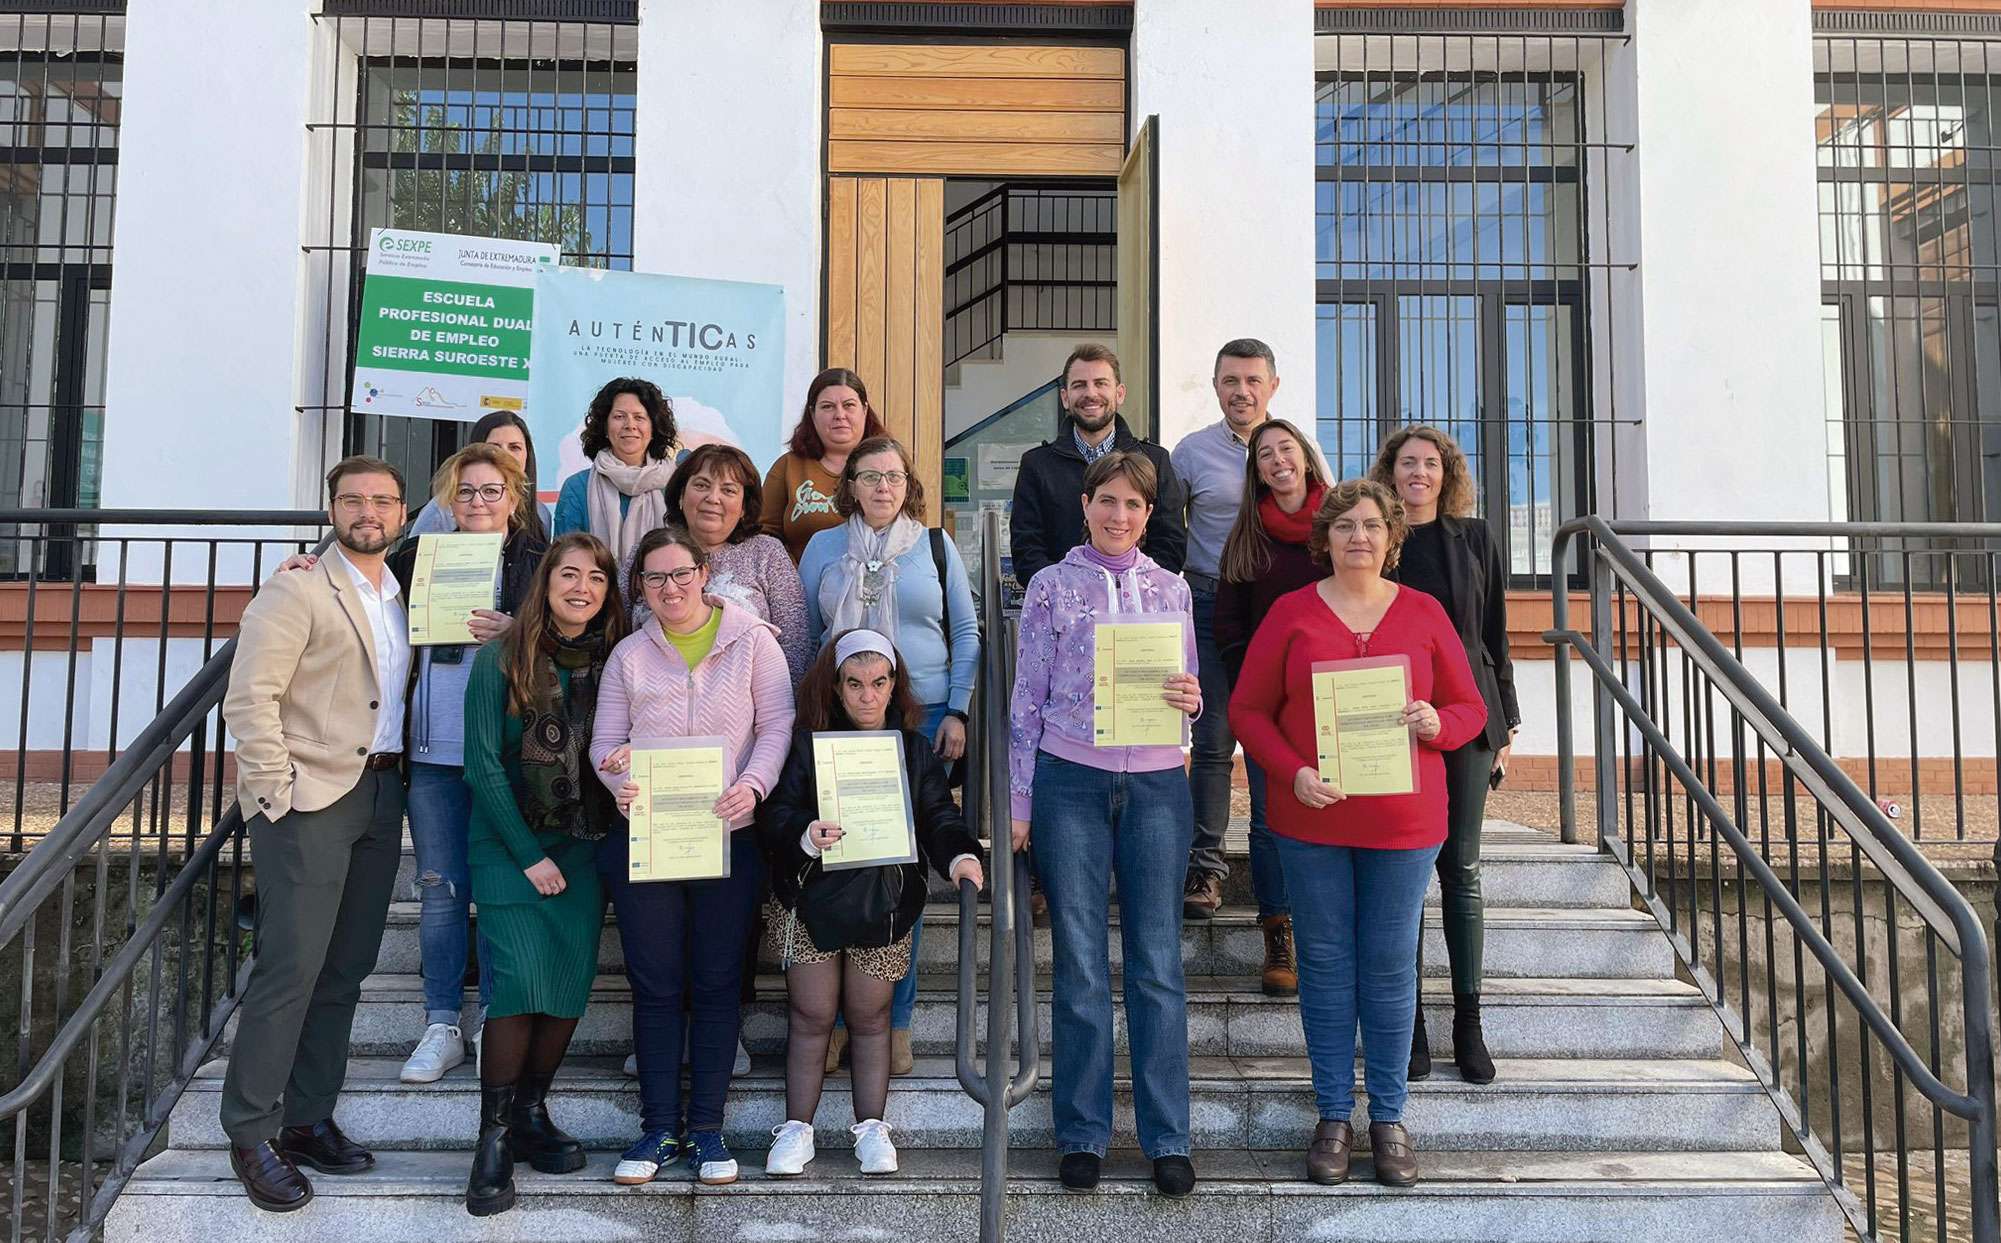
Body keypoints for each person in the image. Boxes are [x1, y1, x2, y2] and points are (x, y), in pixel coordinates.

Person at [1227, 478, 1487, 1189]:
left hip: (1403, 823)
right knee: (1323, 963)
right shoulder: (1289, 613)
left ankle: (1389, 1118)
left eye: (1371, 525)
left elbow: (1467, 705)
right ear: (1325, 538)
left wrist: (1440, 722)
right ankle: (1334, 1115)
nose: (1358, 537)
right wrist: (1291, 771)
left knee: (1389, 964)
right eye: (1344, 526)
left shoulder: (1424, 612)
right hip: (1311, 817)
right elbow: (1248, 711)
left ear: (1390, 536)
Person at [217, 456, 412, 1213]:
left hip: (383, 789)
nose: (368, 510)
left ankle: (305, 1116)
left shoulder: (401, 593)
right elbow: (251, 695)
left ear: (402, 514)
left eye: (383, 500)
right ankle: (250, 1129)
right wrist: (277, 793)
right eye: (353, 498)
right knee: (290, 965)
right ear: (332, 508)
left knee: (346, 966)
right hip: (311, 798)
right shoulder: (297, 585)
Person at [1008, 451, 1202, 1200]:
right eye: (1107, 501)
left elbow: (1187, 692)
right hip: (1070, 782)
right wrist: (1020, 803)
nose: (1120, 515)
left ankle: (1167, 1137)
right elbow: (1026, 700)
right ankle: (1083, 1132)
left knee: (1156, 962)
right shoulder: (1051, 588)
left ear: (1149, 515)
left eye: (1134, 505)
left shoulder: (1171, 588)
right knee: (1082, 961)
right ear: (1085, 504)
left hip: (1155, 786)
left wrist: (1191, 702)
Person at [591, 526, 795, 1188]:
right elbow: (604, 741)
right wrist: (616, 778)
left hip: (726, 831)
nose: (670, 589)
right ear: (640, 589)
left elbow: (777, 725)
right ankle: (656, 1128)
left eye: (680, 574)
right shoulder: (628, 654)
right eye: (654, 579)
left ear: (703, 572)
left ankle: (706, 1129)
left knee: (713, 981)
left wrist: (754, 786)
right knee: (654, 983)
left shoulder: (753, 640)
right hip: (647, 835)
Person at [756, 630, 986, 1179]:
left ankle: (871, 1127)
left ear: (894, 686)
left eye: (878, 683)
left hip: (883, 904)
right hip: (810, 898)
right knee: (812, 1015)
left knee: (870, 1015)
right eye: (854, 684)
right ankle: (796, 1129)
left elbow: (937, 814)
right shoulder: (809, 747)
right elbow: (777, 815)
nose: (866, 696)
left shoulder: (910, 749)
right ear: (836, 687)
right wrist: (806, 835)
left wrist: (958, 856)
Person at [459, 533, 630, 1216]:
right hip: (507, 847)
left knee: (563, 989)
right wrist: (528, 854)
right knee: (518, 987)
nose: (581, 586)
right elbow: (481, 764)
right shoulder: (500, 658)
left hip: (584, 845)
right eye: (568, 573)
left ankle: (530, 1112)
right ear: (545, 582)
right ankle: (492, 1138)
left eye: (595, 576)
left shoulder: (614, 660)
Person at [798, 435, 979, 1074]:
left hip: (921, 717)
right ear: (850, 486)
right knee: (842, 860)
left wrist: (957, 708)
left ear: (908, 484)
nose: (882, 487)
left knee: (898, 867)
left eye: (894, 477)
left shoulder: (934, 546)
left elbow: (965, 630)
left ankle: (892, 1020)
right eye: (870, 476)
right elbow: (804, 638)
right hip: (841, 718)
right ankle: (844, 1021)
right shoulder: (822, 546)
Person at [388, 443, 549, 1084]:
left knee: (502, 890)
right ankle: (440, 1022)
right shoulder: (415, 557)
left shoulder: (539, 564)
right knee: (441, 888)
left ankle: (495, 1020)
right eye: (465, 492)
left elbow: (578, 629)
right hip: (433, 750)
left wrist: (518, 628)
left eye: (491, 490)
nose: (478, 502)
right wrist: (302, 565)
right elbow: (348, 568)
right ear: (447, 502)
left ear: (514, 498)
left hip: (506, 751)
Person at [1371, 425, 1519, 1085]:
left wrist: (1506, 722)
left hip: (1467, 714)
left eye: (1430, 464)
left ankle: (1467, 1020)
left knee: (1459, 869)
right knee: (1404, 874)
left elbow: (1495, 635)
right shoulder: (1375, 537)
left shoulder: (1475, 537)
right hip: (1392, 716)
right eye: (1407, 463)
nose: (1418, 473)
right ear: (1390, 472)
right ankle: (1408, 1025)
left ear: (1446, 472)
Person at [1213, 417, 1332, 998]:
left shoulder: (1341, 523)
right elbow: (1229, 624)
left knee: (1334, 812)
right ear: (1255, 471)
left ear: (1306, 458)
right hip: (1269, 705)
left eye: (1286, 449)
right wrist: (1251, 687)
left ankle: (1326, 932)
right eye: (1265, 455)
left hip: (1335, 699)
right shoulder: (1245, 535)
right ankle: (1278, 932)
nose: (1277, 460)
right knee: (1267, 818)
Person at [1170, 338, 1282, 923]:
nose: (1242, 391)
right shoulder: (1189, 454)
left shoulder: (1293, 450)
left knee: (1268, 745)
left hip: (1273, 615)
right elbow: (1165, 536)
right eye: (1231, 381)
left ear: (1272, 386)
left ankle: (1277, 895)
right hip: (1209, 604)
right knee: (1212, 742)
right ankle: (1205, 869)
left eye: (1253, 380)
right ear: (1216, 387)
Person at [1009, 344, 1187, 585]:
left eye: (1101, 383)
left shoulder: (1154, 461)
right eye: (1079, 385)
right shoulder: (1037, 465)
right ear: (1065, 397)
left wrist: (1124, 590)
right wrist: (1069, 593)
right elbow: (1027, 549)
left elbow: (1170, 544)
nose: (1090, 394)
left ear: (1120, 394)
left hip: (1136, 611)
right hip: (1062, 609)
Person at [662, 442, 813, 681]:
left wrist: (783, 713)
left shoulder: (767, 553)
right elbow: (620, 630)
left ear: (744, 507)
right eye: (701, 485)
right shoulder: (652, 551)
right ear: (681, 495)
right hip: (658, 704)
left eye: (728, 490)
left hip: (754, 708)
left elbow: (796, 644)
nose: (713, 498)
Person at [552, 377, 681, 563]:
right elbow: (563, 562)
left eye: (639, 417)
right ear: (605, 426)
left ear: (654, 428)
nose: (630, 425)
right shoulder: (577, 487)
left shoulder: (677, 486)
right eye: (619, 416)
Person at [762, 367, 885, 562]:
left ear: (865, 410)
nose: (839, 415)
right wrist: (789, 577)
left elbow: (911, 531)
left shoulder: (891, 467)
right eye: (827, 406)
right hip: (800, 588)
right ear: (812, 413)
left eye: (849, 405)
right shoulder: (788, 467)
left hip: (878, 587)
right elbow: (765, 537)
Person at [405, 411, 554, 542]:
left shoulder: (540, 513)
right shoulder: (441, 509)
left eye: (515, 447)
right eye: (494, 447)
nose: (505, 455)